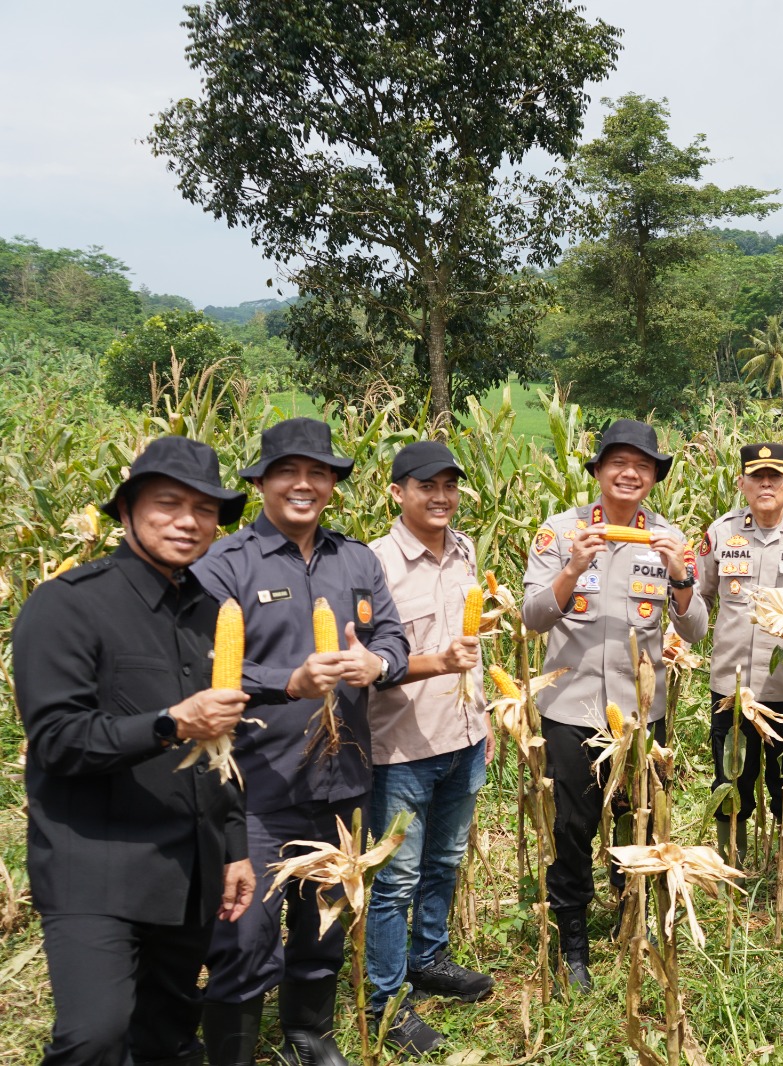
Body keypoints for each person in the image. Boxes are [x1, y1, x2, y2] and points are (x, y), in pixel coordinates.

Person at [14, 437, 255, 1066]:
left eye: (204, 509)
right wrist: (171, 723)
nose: (188, 521)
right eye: (168, 503)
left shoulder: (208, 612)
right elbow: (60, 741)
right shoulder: (68, 605)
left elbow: (219, 748)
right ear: (126, 512)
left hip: (189, 868)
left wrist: (233, 849)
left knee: (168, 1035)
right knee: (95, 1036)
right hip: (97, 863)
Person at [191, 418, 410, 1066]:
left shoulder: (357, 560)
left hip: (342, 780)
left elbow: (392, 638)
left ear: (334, 487)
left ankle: (308, 1036)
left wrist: (379, 666)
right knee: (245, 930)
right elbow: (201, 664)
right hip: (255, 786)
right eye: (288, 471)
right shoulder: (227, 563)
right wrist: (286, 682)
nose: (305, 484)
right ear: (260, 481)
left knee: (326, 920)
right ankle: (231, 1050)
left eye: (319, 473)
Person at [521, 419, 709, 992]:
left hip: (637, 716)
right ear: (599, 471)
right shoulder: (560, 534)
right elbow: (531, 619)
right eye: (618, 463)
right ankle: (572, 937)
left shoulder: (670, 539)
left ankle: (633, 923)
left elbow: (696, 629)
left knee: (637, 822)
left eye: (642, 465)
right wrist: (574, 568)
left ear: (653, 477)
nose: (630, 473)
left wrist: (680, 575)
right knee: (573, 827)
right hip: (571, 709)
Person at [365, 441, 494, 1055]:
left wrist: (487, 722)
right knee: (394, 881)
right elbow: (366, 665)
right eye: (426, 486)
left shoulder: (465, 550)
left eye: (450, 485)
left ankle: (430, 959)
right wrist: (434, 662)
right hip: (401, 749)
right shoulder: (374, 566)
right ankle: (387, 1002)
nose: (441, 497)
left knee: (444, 863)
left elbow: (472, 648)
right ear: (397, 493)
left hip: (465, 736)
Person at [695, 442, 783, 871]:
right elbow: (697, 599)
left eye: (776, 476)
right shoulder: (720, 533)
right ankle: (729, 870)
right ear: (742, 483)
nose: (767, 483)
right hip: (732, 691)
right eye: (757, 476)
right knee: (730, 782)